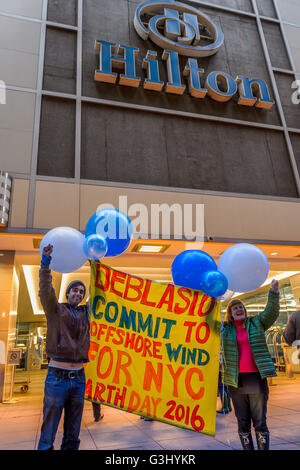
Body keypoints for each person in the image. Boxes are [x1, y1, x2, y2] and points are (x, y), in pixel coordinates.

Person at [37, 244, 90, 450]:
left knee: (73, 430)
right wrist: (46, 262)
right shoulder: (55, 309)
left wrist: (96, 265)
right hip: (56, 377)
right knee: (49, 427)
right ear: (67, 293)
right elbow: (45, 288)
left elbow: (103, 294)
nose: (78, 293)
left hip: (78, 379)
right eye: (74, 290)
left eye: (81, 291)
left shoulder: (87, 313)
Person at [221, 279, 280, 450]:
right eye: (235, 308)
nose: (239, 309)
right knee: (243, 422)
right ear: (230, 313)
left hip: (255, 378)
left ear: (245, 311)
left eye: (241, 307)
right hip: (235, 381)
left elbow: (271, 312)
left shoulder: (256, 323)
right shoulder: (225, 329)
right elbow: (206, 325)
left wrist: (274, 293)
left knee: (260, 421)